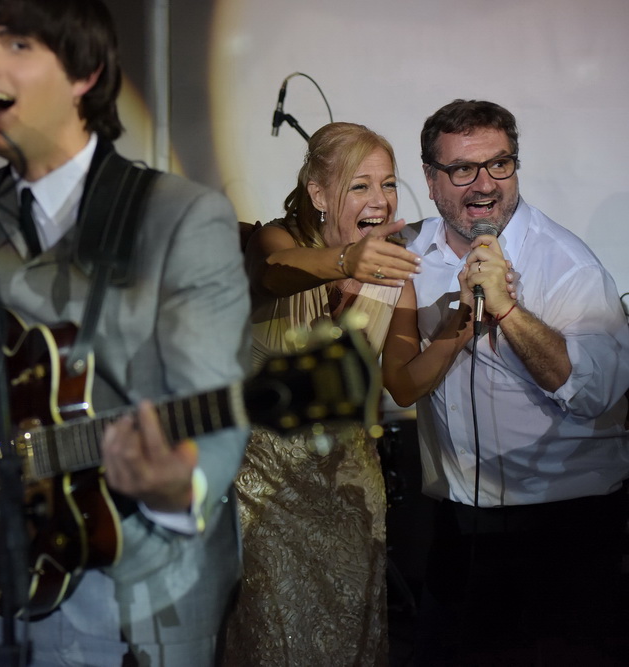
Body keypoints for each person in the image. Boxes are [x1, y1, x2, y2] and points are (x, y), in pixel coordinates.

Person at [0, 1, 250, 665]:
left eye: (14, 45)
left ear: (85, 73)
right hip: (29, 566)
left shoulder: (181, 216)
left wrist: (175, 484)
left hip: (155, 585)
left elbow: (215, 411)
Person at [383, 99, 629, 663]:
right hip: (459, 522)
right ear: (429, 177)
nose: (484, 185)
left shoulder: (567, 265)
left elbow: (592, 394)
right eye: (463, 169)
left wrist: (509, 311)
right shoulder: (412, 253)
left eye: (500, 165)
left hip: (562, 528)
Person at [222, 122, 422, 666]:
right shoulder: (275, 240)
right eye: (360, 185)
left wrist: (456, 333)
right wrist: (344, 264)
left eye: (387, 184)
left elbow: (403, 382)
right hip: (269, 488)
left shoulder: (393, 270)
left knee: (350, 640)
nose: (379, 200)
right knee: (275, 637)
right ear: (318, 193)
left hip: (351, 487)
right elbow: (273, 273)